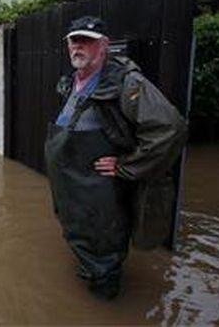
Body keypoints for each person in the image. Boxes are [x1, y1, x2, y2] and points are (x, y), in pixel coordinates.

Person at [44, 16, 188, 300]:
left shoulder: (126, 84)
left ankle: (105, 304)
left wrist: (128, 166)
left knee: (104, 259)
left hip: (100, 202)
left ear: (104, 45)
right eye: (74, 40)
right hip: (74, 198)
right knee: (83, 248)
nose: (78, 47)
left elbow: (170, 129)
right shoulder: (70, 82)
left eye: (87, 40)